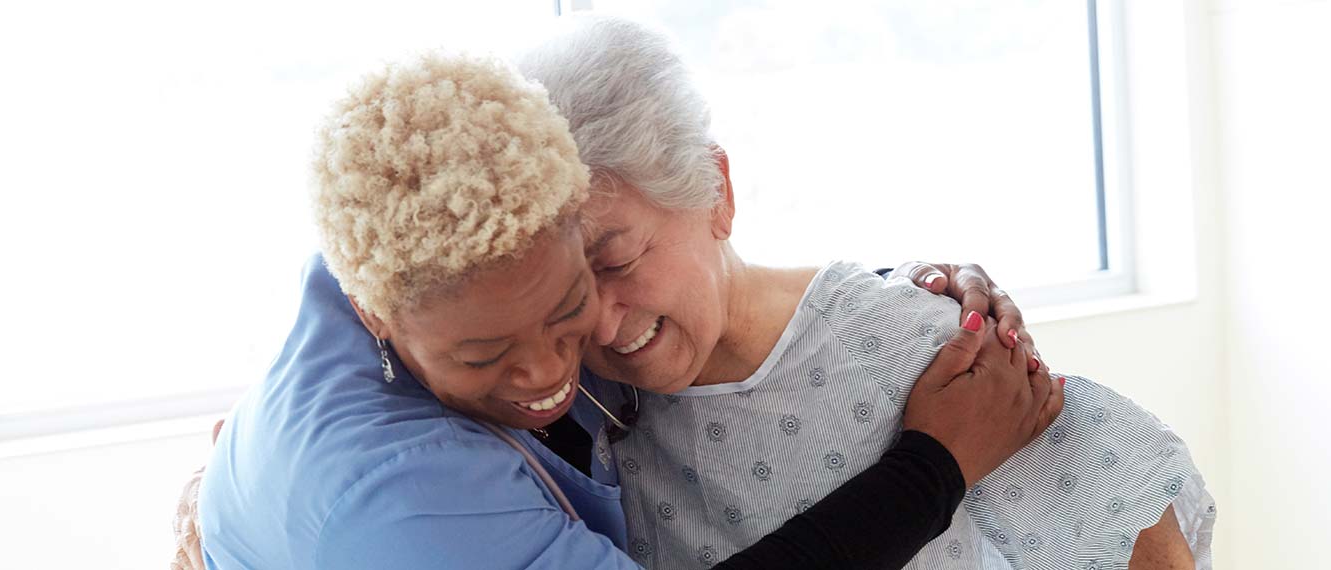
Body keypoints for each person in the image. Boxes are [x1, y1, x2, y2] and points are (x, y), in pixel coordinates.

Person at [198, 50, 1059, 569]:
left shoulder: (421, 221)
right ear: (375, 313)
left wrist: (891, 290)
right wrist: (932, 468)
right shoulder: (405, 505)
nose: (553, 369)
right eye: (484, 354)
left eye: (573, 297)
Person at [514, 15, 1214, 569]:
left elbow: (1125, 498)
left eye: (618, 262)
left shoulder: (895, 341)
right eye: (564, 296)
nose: (601, 326)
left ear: (715, 191)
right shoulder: (580, 399)